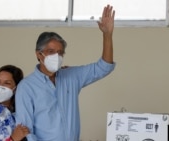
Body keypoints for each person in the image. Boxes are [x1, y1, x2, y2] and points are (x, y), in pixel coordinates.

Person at [15, 4, 116, 141]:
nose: (56, 57)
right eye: (51, 52)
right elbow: (25, 132)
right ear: (39, 54)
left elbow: (104, 67)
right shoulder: (26, 87)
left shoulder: (71, 76)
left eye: (60, 52)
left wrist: (107, 35)